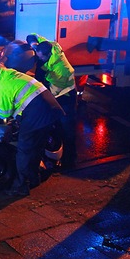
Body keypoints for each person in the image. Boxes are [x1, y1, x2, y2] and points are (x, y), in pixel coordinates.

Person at [0, 65, 63, 197]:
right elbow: (22, 98)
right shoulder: (11, 74)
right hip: (50, 110)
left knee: (24, 151)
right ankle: (34, 179)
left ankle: (20, 186)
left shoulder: (3, 86)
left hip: (36, 116)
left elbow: (4, 113)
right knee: (36, 148)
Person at [34, 40, 78, 168]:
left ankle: (70, 162)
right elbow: (33, 36)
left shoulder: (61, 71)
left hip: (65, 98)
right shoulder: (53, 47)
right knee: (57, 127)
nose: (38, 59)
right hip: (58, 93)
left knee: (67, 129)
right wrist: (32, 43)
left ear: (48, 55)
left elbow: (50, 94)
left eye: (41, 57)